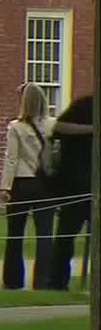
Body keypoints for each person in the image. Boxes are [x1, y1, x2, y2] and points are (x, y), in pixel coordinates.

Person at [0, 83, 56, 289]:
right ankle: (43, 280)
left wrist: (5, 186)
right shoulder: (53, 125)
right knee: (45, 234)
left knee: (15, 234)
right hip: (45, 184)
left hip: (22, 183)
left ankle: (13, 280)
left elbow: (12, 158)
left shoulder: (16, 127)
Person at [47, 93, 94, 290]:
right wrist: (92, 129)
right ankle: (57, 283)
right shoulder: (84, 105)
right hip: (75, 186)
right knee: (65, 237)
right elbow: (59, 127)